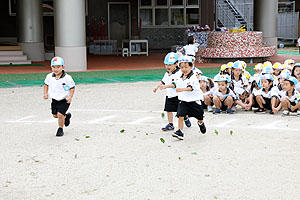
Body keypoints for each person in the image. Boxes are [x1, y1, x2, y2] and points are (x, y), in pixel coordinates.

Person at [153, 52, 191, 131]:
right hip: (169, 95)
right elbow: (163, 81)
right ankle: (170, 124)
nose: (168, 66)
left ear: (176, 63)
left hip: (178, 96)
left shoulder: (179, 73)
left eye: (170, 65)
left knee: (180, 111)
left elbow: (174, 85)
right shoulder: (167, 74)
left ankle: (186, 117)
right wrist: (157, 87)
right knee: (168, 110)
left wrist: (165, 87)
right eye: (166, 64)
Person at [172, 56, 206, 140]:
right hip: (183, 100)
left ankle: (201, 123)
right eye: (182, 67)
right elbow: (175, 84)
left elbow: (190, 88)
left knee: (199, 117)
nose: (184, 69)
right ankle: (180, 131)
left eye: (186, 67)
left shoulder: (193, 77)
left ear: (191, 67)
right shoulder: (179, 77)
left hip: (194, 101)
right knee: (180, 115)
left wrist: (181, 89)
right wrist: (164, 86)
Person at [44, 57, 75, 137]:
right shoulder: (49, 76)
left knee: (60, 115)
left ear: (63, 67)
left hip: (64, 100)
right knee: (55, 115)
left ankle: (60, 129)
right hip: (55, 100)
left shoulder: (67, 78)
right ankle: (67, 116)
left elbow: (72, 88)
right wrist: (45, 93)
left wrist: (70, 97)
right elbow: (46, 85)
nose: (56, 69)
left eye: (58, 67)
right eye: (53, 67)